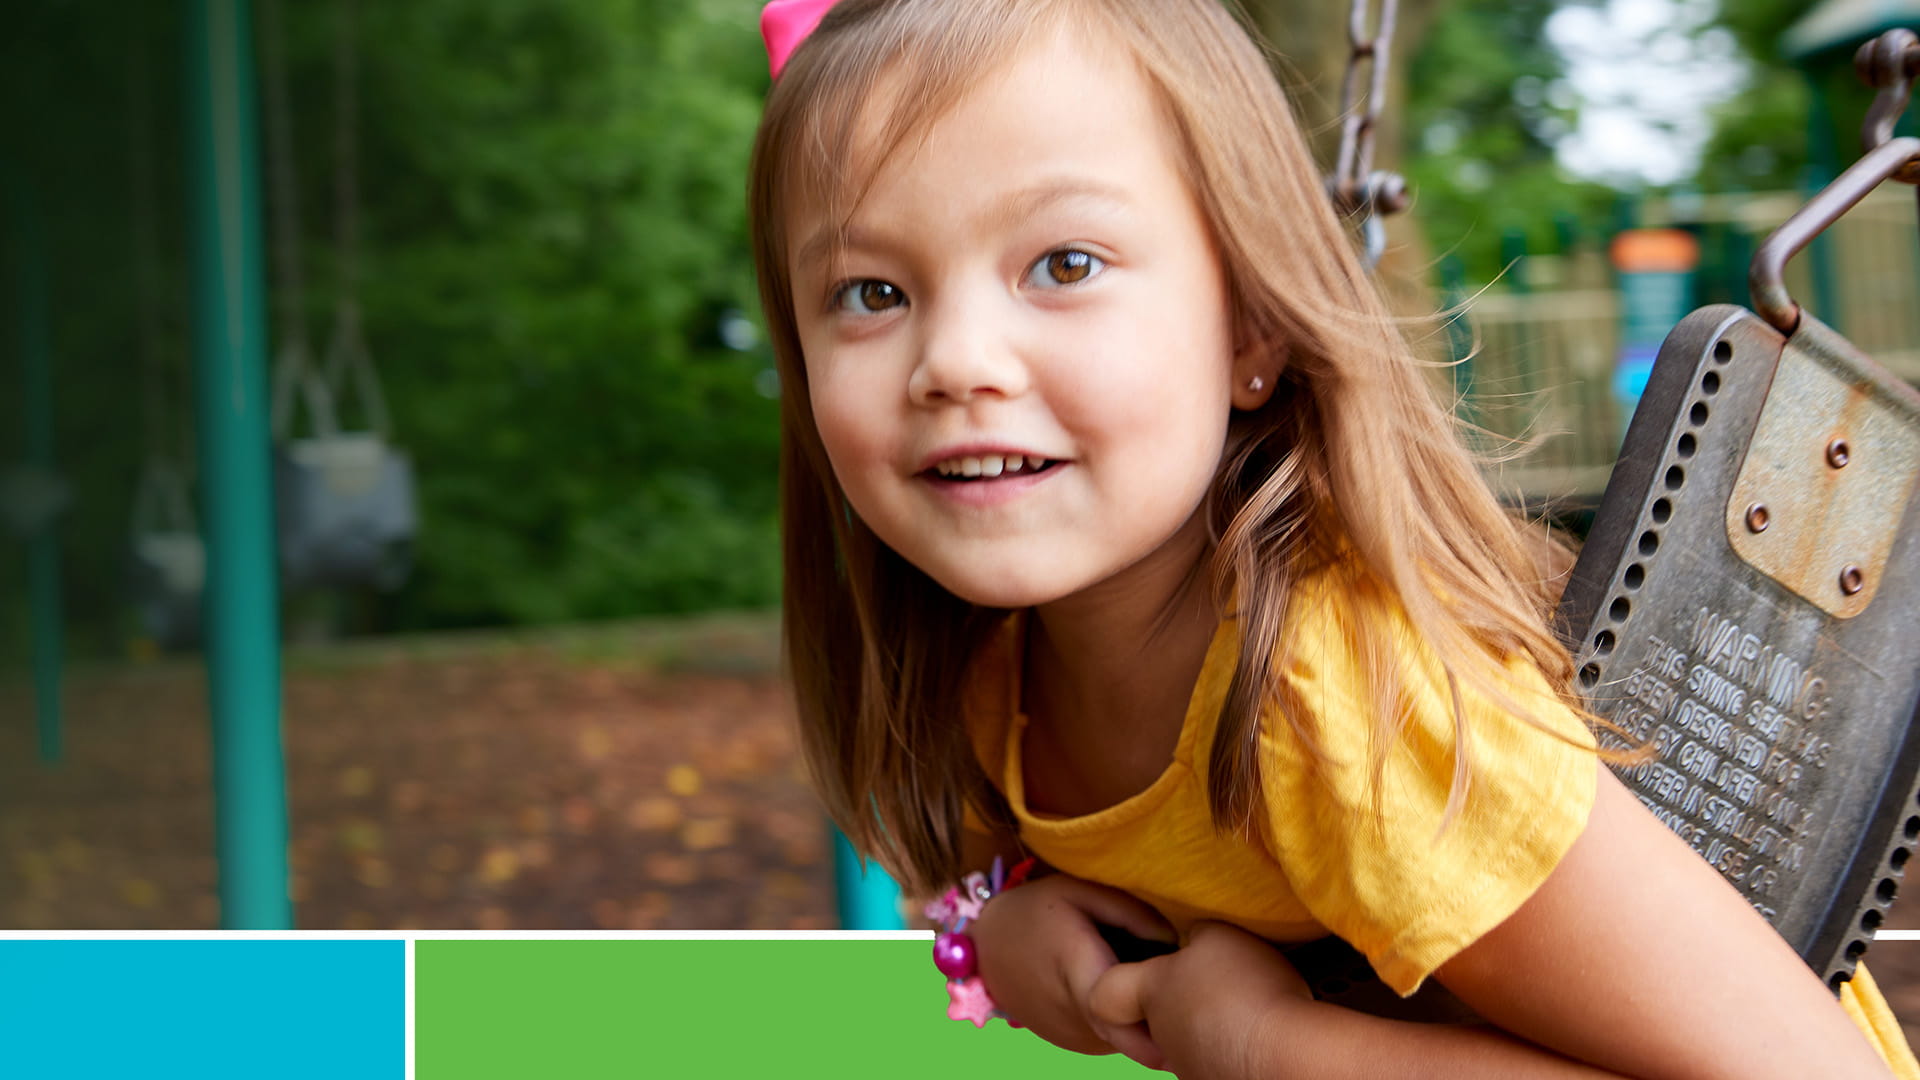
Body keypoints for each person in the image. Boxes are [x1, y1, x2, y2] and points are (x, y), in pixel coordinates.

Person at [746, 1, 1920, 1076]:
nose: (954, 362)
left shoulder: (1344, 700)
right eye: (871, 293)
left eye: (1065, 265)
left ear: (1253, 325)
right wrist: (1013, 919)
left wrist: (1272, 1045)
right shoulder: (994, 663)